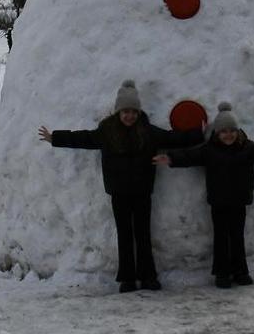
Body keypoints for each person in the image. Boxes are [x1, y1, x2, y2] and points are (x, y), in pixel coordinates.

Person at [38, 80, 201, 292]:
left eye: (133, 111)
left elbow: (173, 139)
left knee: (143, 234)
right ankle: (127, 278)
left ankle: (148, 276)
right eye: (125, 111)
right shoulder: (106, 131)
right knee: (124, 235)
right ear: (118, 111)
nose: (130, 116)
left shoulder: (148, 131)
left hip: (142, 190)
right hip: (119, 191)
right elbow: (84, 138)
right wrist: (55, 138)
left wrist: (199, 133)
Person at [153, 101, 254, 288]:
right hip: (219, 201)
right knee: (221, 237)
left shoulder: (247, 148)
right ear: (217, 132)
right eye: (224, 131)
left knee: (237, 237)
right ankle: (222, 273)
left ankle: (241, 271)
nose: (228, 135)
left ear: (238, 131)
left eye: (232, 131)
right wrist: (171, 158)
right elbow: (190, 156)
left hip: (239, 200)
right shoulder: (209, 150)